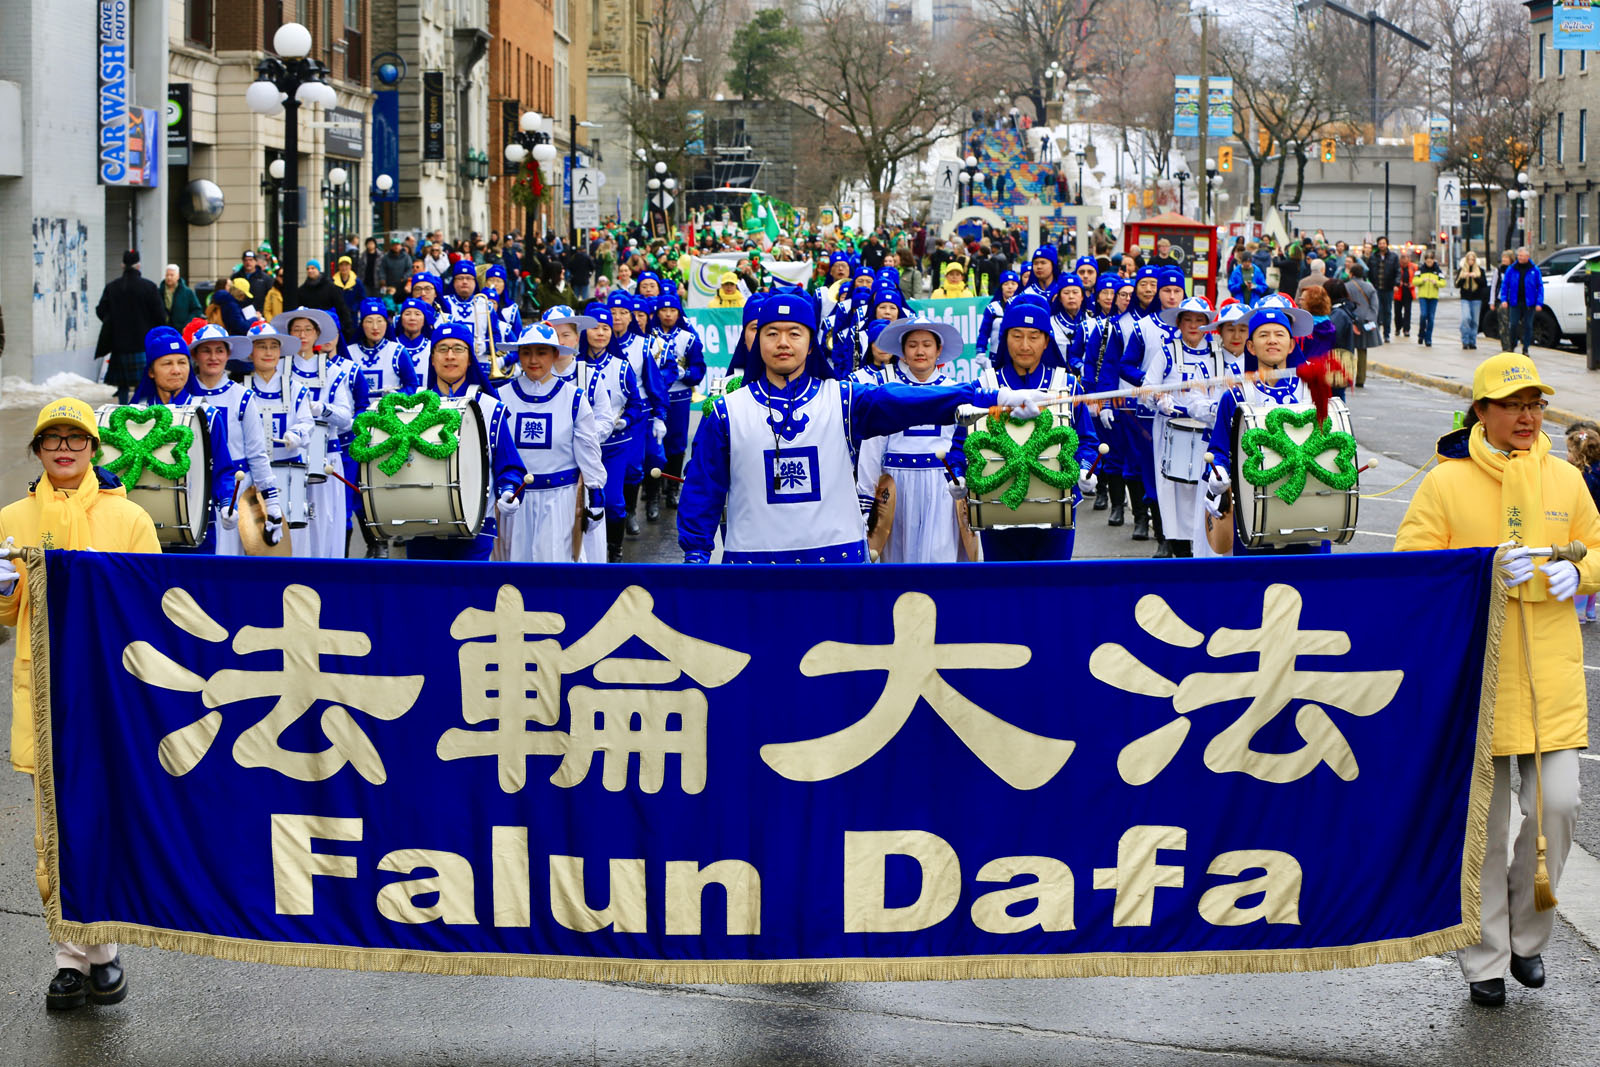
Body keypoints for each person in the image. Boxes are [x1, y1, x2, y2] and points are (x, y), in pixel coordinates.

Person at [1395, 352, 1595, 1008]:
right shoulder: (1445, 481)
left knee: (1557, 807)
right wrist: (1479, 572)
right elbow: (1412, 565)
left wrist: (1581, 572)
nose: (1527, 417)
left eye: (1535, 405)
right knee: (1481, 828)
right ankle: (1484, 954)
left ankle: (1528, 940)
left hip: (1550, 680)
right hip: (1474, 678)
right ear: (1481, 411)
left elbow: (1597, 546)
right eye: (1513, 405)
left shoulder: (1567, 478)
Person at [678, 294, 1045, 564]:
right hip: (754, 564)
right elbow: (702, 490)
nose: (783, 342)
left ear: (811, 344)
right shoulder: (726, 413)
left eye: (795, 333)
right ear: (757, 343)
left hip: (836, 562)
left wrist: (994, 397)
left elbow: (909, 400)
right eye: (772, 333)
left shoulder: (843, 400)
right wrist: (695, 556)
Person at [1, 398, 160, 1011]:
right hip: (44, 694)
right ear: (38, 450)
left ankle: (103, 947)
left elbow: (153, 609)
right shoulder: (12, 518)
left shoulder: (131, 519)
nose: (64, 449)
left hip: (109, 694)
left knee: (105, 823)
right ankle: (73, 960)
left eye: (76, 439)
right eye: (53, 440)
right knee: (53, 833)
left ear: (93, 449)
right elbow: (5, 617)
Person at [973, 296, 1100, 561]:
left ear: (1046, 341)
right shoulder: (985, 385)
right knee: (1003, 583)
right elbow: (962, 441)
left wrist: (1086, 468)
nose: (1024, 345)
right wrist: (957, 476)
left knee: (1052, 582)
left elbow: (1087, 440)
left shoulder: (1066, 385)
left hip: (1056, 511)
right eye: (1017, 336)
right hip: (997, 507)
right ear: (1005, 339)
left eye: (1033, 337)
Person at [1202, 307, 1323, 556]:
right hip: (1253, 512)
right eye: (1263, 335)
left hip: (1309, 507)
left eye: (1279, 334)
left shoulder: (1313, 391)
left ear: (1291, 345)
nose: (1272, 341)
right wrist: (1217, 474)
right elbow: (1219, 449)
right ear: (1251, 346)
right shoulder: (1236, 396)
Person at [402, 322, 527, 561]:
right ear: (432, 358)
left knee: (470, 586)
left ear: (469, 359)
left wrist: (508, 491)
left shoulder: (490, 408)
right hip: (422, 523)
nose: (450, 356)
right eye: (442, 349)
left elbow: (509, 465)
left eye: (458, 349)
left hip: (477, 526)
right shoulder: (411, 407)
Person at [855, 317, 974, 563]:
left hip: (941, 487)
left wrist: (962, 480)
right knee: (898, 560)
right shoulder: (887, 392)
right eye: (912, 345)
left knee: (940, 559)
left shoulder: (956, 391)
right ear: (902, 352)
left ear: (938, 351)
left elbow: (963, 444)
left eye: (927, 345)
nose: (920, 351)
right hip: (897, 487)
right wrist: (867, 500)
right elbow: (872, 448)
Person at [492, 323, 607, 562]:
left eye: (541, 352)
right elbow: (493, 452)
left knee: (556, 566)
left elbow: (589, 453)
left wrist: (596, 495)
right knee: (515, 567)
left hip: (560, 502)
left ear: (555, 354)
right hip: (515, 502)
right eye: (526, 352)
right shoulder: (500, 397)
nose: (533, 360)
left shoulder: (574, 398)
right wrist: (503, 492)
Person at [187, 323, 283, 556]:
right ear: (195, 356)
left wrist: (271, 502)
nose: (213, 357)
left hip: (235, 493)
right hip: (192, 489)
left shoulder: (242, 397)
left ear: (228, 355)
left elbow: (257, 453)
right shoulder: (184, 395)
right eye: (206, 351)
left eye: (219, 351)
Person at [272, 307, 353, 558]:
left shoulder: (334, 371)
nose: (302, 335)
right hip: (288, 455)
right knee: (291, 524)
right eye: (296, 330)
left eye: (308, 329)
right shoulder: (279, 370)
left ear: (317, 334)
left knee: (326, 521)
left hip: (326, 455)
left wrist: (323, 409)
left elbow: (346, 419)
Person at [642, 290, 705, 516]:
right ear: (657, 313)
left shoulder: (688, 338)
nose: (668, 314)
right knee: (653, 445)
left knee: (676, 444)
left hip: (679, 396)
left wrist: (685, 373)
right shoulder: (648, 337)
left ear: (679, 313)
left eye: (672, 310)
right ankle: (652, 495)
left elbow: (699, 368)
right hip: (653, 396)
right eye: (663, 310)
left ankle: (673, 489)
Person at [95, 250, 167, 404]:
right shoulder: (149, 287)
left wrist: (114, 323)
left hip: (119, 344)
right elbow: (161, 316)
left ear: (123, 265)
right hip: (143, 343)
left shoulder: (112, 287)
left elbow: (101, 311)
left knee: (122, 385)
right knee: (143, 382)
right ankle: (140, 408)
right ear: (138, 265)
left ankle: (123, 408)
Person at [1565, 420, 1600, 623]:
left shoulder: (1582, 476)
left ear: (1580, 454)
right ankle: (1590, 610)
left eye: (1570, 451)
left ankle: (1578, 612)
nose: (1567, 454)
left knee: (1580, 566)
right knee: (1593, 568)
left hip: (1585, 526)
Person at [295, 260, 356, 340]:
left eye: (313, 268)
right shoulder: (302, 290)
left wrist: (346, 328)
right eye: (308, 269)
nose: (310, 271)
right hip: (310, 329)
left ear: (318, 270)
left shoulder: (330, 287)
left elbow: (341, 307)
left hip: (328, 326)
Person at [1500, 246, 1544, 356]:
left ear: (1527, 257)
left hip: (1529, 303)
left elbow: (1540, 286)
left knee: (1528, 325)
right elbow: (1505, 285)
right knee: (1513, 324)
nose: (1520, 258)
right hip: (1515, 301)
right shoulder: (1511, 269)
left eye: (1522, 256)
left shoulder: (1534, 270)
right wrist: (1504, 299)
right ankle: (1512, 344)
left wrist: (1539, 302)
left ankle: (1525, 347)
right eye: (1519, 256)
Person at [977, 270, 1021, 365]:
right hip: (996, 357)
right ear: (1001, 287)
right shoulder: (992, 308)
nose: (1010, 287)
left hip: (1018, 357)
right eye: (1006, 284)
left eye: (1013, 284)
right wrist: (980, 352)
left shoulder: (1024, 307)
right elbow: (984, 332)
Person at [1366, 237, 1400, 342]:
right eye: (1380, 243)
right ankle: (1377, 333)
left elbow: (1397, 271)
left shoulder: (1393, 257)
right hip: (1376, 288)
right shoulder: (1373, 257)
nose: (1382, 245)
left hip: (1388, 288)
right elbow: (1368, 272)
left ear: (1387, 244)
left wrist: (1396, 284)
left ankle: (1387, 334)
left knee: (1387, 312)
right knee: (1377, 311)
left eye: (1383, 243)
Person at [1457, 251, 1487, 350]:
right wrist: (1463, 277)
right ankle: (1465, 341)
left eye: (1473, 259)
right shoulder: (1462, 270)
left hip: (1476, 298)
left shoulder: (1480, 271)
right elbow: (1457, 284)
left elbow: (1484, 284)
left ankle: (1472, 342)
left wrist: (1476, 277)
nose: (1471, 261)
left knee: (1475, 321)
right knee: (1466, 318)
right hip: (1465, 298)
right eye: (1469, 259)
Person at [1414, 252, 1442, 347]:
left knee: (1431, 318)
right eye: (1427, 260)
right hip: (1423, 296)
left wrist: (1436, 283)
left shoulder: (1438, 270)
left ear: (1433, 260)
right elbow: (1414, 281)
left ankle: (1428, 338)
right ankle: (1421, 333)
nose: (1429, 262)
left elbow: (1443, 283)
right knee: (1423, 315)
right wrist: (1422, 281)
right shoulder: (1420, 270)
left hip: (1433, 297)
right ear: (1425, 260)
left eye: (1431, 260)